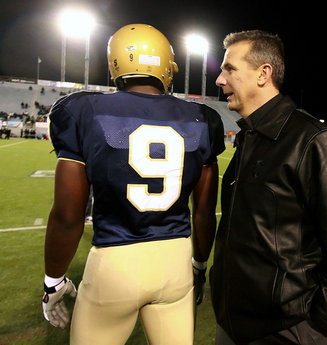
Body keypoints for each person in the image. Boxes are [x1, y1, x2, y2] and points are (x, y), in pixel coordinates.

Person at [42, 24, 225, 345]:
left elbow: (68, 215)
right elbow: (204, 213)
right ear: (168, 67)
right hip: (175, 266)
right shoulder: (203, 118)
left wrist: (53, 281)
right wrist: (199, 265)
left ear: (115, 63)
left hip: (114, 265)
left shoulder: (83, 110)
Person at [210, 29, 327, 345]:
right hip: (235, 322)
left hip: (290, 329)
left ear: (263, 74)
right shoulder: (250, 137)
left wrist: (319, 321)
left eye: (229, 69)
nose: (219, 79)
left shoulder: (315, 140)